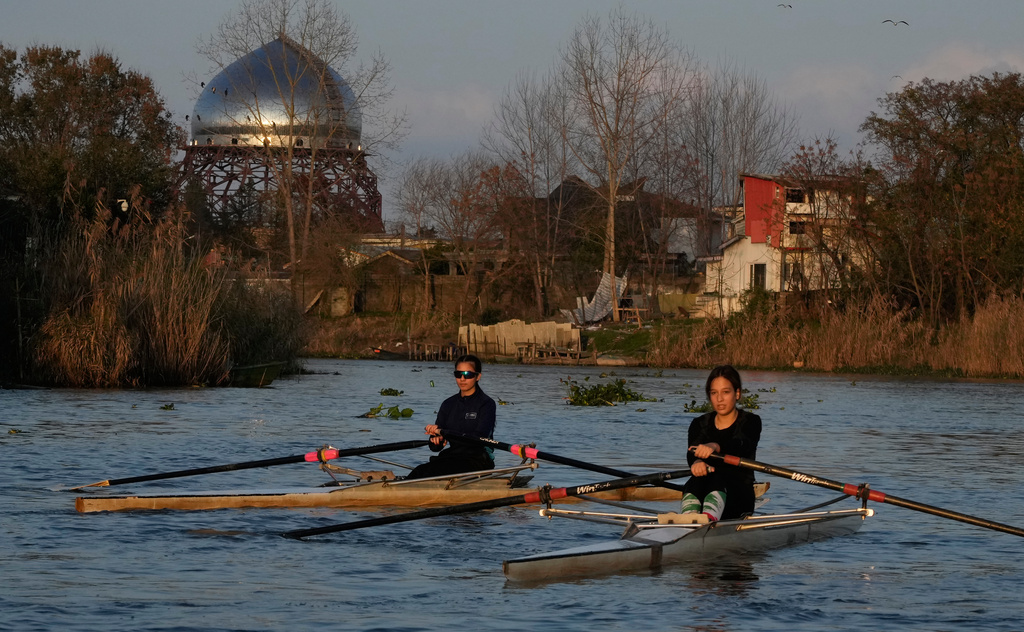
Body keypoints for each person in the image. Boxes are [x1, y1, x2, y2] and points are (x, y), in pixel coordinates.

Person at [680, 365, 762, 522]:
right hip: (704, 487)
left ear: (737, 394)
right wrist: (696, 461)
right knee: (694, 481)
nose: (719, 399)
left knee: (717, 478)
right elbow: (692, 451)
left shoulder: (751, 421)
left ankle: (704, 522)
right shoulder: (699, 423)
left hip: (738, 493)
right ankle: (689, 523)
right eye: (714, 393)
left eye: (726, 392)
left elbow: (742, 445)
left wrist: (715, 447)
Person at [406, 354, 496, 479]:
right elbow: (434, 447)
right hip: (452, 457)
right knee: (420, 470)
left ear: (477, 376)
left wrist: (445, 433)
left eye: (468, 374)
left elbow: (478, 437)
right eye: (458, 374)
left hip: (477, 459)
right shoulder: (448, 404)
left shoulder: (486, 404)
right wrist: (436, 440)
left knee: (428, 471)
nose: (462, 379)